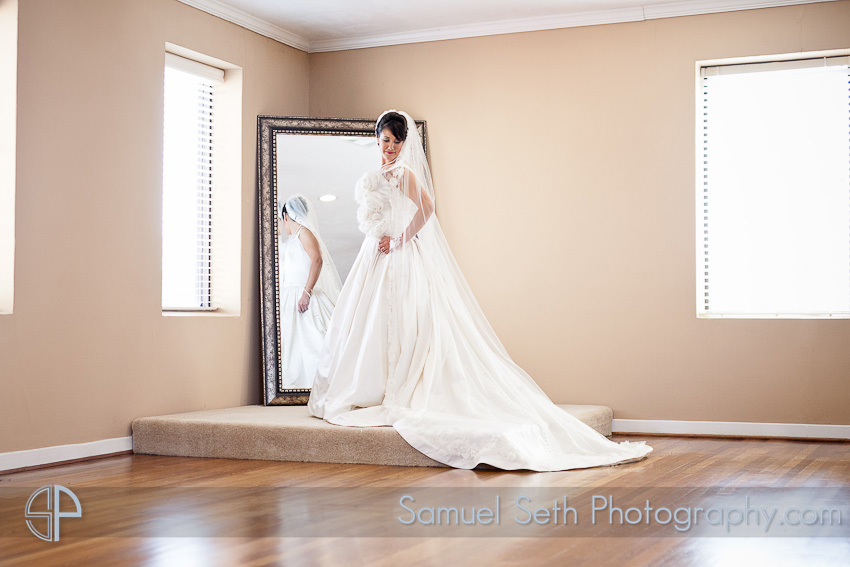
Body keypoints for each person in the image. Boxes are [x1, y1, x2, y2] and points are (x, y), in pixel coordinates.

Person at [308, 110, 652, 471]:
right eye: (384, 140)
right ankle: (369, 387)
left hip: (402, 255)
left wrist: (399, 240)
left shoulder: (404, 174)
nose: (389, 147)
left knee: (406, 319)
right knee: (368, 321)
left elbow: (427, 207)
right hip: (375, 256)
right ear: (377, 139)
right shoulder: (376, 174)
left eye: (395, 141)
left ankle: (397, 386)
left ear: (404, 143)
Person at [278, 194, 342, 389]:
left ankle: (321, 386)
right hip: (289, 295)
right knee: (292, 344)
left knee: (314, 340)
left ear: (287, 217)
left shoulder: (304, 233)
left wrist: (306, 292)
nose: (283, 226)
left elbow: (317, 260)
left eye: (283, 221)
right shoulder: (290, 241)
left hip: (304, 293)